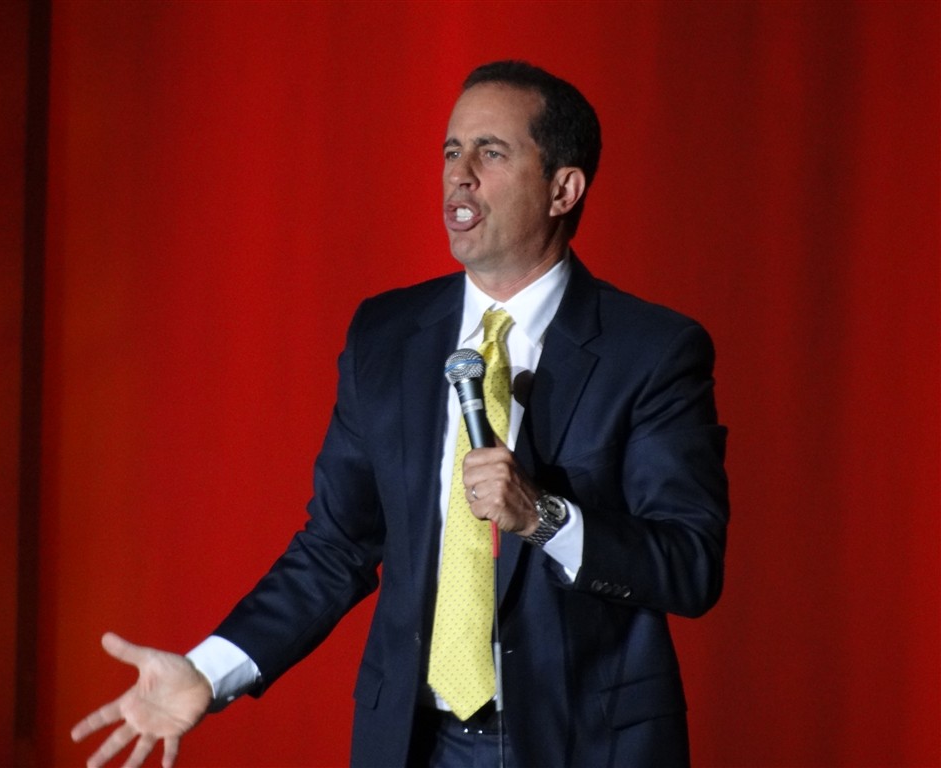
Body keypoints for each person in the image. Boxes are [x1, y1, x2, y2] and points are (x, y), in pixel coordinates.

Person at [72, 60, 729, 768]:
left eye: (490, 152)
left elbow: (689, 565)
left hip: (586, 744)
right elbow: (336, 546)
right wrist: (210, 671)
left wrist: (543, 517)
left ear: (562, 189)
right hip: (416, 744)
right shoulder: (386, 336)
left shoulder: (652, 351)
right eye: (451, 151)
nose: (459, 176)